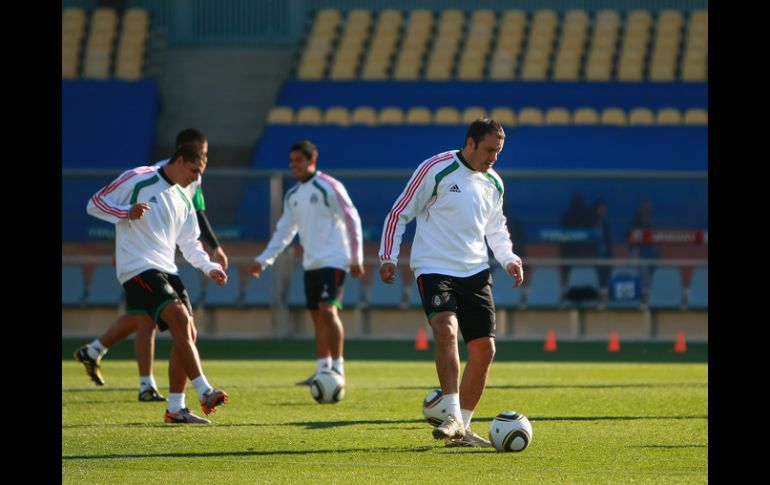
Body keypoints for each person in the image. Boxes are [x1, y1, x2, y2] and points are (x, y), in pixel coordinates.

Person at [378, 119, 524, 447]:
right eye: (489, 150)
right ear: (470, 143)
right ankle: (453, 415)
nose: (493, 158)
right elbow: (399, 212)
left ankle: (462, 430)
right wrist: (388, 255)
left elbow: (496, 228)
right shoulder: (436, 168)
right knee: (446, 330)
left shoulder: (494, 183)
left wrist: (509, 258)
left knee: (485, 350)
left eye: (498, 152)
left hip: (475, 271)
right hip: (434, 267)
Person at [78, 143, 229, 424]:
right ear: (180, 160)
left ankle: (175, 408)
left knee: (189, 334)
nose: (196, 178)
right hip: (136, 268)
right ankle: (205, 391)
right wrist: (126, 212)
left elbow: (190, 243)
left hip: (167, 269)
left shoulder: (184, 197)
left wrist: (210, 267)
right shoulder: (139, 177)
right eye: (194, 170)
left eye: (201, 173)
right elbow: (95, 203)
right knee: (179, 318)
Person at [250, 140, 364, 385]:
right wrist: (264, 260)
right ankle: (323, 370)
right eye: (291, 161)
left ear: (312, 161)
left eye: (298, 161)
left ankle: (338, 369)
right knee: (316, 315)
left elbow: (352, 218)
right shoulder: (292, 196)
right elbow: (284, 231)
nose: (294, 166)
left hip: (334, 259)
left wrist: (356, 258)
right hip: (311, 263)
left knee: (327, 309)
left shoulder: (329, 186)